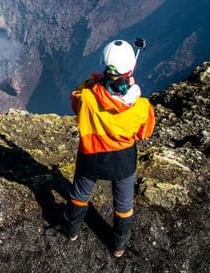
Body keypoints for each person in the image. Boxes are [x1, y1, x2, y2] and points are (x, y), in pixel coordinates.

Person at [62, 40, 155, 258]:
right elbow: (144, 133)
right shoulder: (142, 107)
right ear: (130, 70)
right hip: (123, 162)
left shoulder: (86, 97)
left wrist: (93, 82)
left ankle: (71, 230)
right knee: (123, 202)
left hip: (91, 157)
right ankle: (118, 246)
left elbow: (75, 101)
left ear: (104, 67)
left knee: (80, 193)